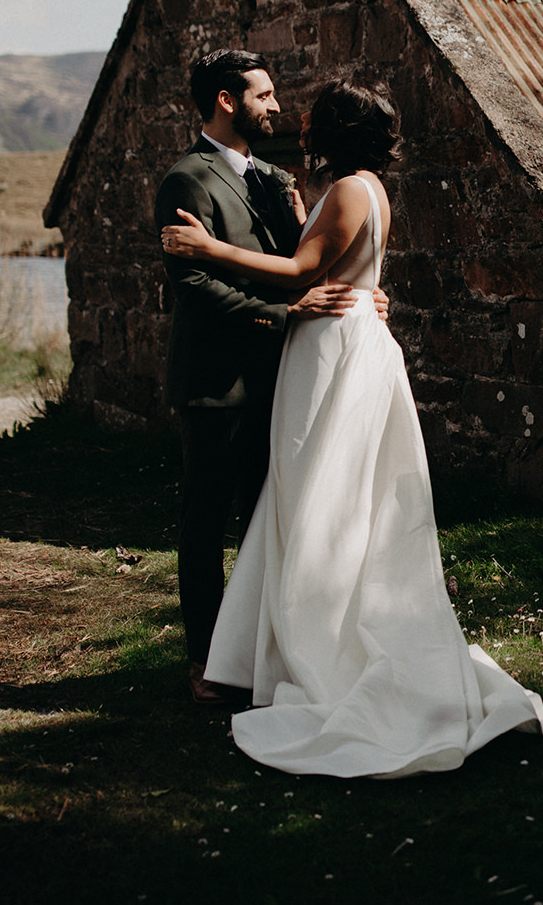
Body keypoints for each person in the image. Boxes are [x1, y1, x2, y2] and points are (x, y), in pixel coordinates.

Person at [159, 80, 543, 777]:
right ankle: (261, 651)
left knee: (320, 503)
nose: (295, 120)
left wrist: (206, 249)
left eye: (310, 116)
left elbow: (305, 269)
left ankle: (313, 651)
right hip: (336, 343)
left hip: (333, 352)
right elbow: (336, 266)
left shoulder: (348, 191)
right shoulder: (350, 187)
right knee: (311, 499)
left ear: (332, 129)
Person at [155, 50, 387, 706]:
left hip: (284, 383)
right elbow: (194, 286)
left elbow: (308, 262)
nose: (276, 106)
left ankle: (264, 655)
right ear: (227, 100)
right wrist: (286, 316)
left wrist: (361, 292)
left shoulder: (271, 179)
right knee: (205, 525)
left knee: (270, 524)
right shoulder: (185, 181)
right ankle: (206, 661)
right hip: (217, 381)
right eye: (263, 94)